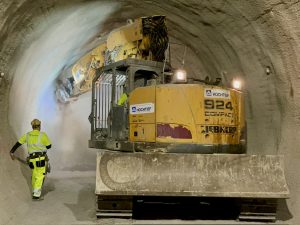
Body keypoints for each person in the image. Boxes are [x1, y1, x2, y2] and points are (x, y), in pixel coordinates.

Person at [10, 119, 52, 200]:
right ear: (39, 126)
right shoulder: (42, 135)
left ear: (32, 126)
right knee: (40, 176)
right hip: (41, 159)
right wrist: (42, 146)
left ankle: (34, 191)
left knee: (34, 175)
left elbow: (18, 143)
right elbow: (49, 146)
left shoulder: (27, 135)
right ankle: (36, 195)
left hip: (32, 160)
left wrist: (12, 151)